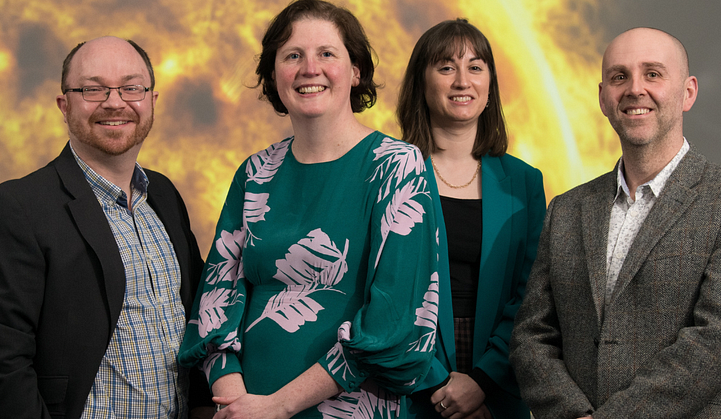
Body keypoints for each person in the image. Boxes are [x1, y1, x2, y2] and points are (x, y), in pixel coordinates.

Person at [177, 1, 438, 418]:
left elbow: (395, 324)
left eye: (327, 53)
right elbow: (216, 300)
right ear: (273, 74)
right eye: (292, 55)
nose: (308, 68)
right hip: (244, 408)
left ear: (355, 72)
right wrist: (239, 403)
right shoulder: (255, 172)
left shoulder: (398, 167)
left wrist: (278, 407)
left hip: (348, 409)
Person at [509, 27, 721, 418]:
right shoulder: (567, 209)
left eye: (653, 74)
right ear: (603, 97)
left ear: (688, 92)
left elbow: (720, 340)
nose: (635, 89)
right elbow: (532, 336)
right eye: (619, 77)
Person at [0, 36, 212, 418]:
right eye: (93, 89)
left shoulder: (163, 194)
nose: (115, 102)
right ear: (64, 105)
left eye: (131, 87)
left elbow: (198, 314)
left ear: (151, 100)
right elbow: (5, 361)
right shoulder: (19, 207)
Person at [397, 19, 545, 419]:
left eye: (475, 67)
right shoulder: (387, 176)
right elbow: (380, 293)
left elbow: (533, 295)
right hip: (411, 384)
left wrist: (481, 382)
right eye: (446, 67)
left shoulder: (524, 183)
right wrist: (441, 385)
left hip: (498, 378)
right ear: (421, 82)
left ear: (490, 85)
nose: (462, 81)